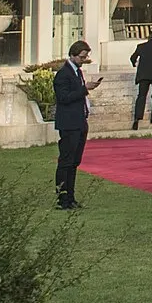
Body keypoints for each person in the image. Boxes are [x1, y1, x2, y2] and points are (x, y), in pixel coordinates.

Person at [51, 39, 99, 209]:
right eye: (81, 57)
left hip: (79, 122)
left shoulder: (77, 72)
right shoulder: (63, 74)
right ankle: (62, 198)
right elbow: (63, 98)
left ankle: (70, 197)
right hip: (69, 123)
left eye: (85, 57)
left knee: (74, 162)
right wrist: (85, 89)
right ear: (72, 55)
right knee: (66, 161)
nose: (83, 60)